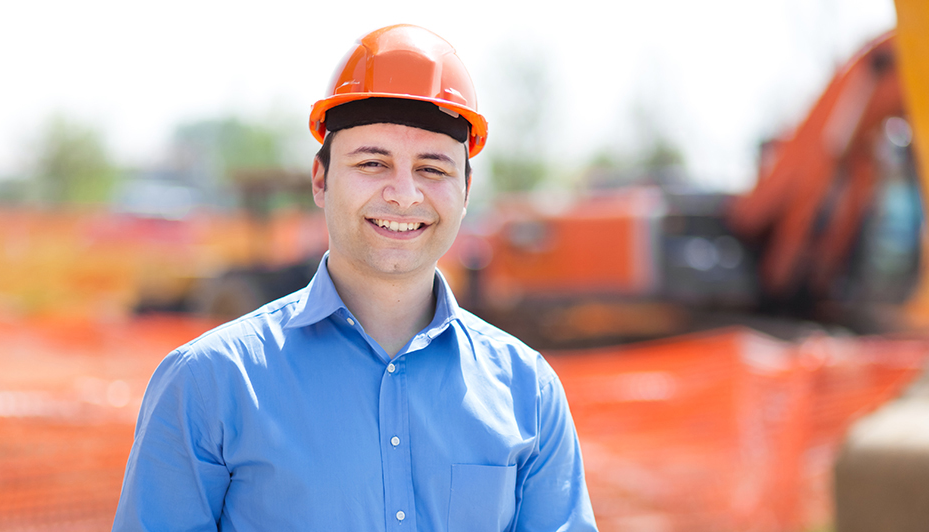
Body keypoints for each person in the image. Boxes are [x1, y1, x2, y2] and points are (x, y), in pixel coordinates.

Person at [112, 24, 597, 532]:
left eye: (433, 169)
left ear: (467, 190)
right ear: (321, 180)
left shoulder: (528, 391)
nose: (405, 194)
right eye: (373, 162)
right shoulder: (208, 383)